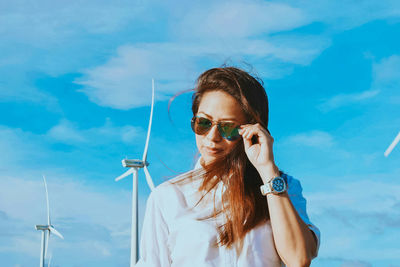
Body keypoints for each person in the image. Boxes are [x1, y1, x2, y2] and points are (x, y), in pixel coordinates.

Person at [136, 67, 320, 267]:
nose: (212, 137)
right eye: (203, 123)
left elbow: (298, 258)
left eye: (228, 127)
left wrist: (267, 170)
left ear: (252, 131)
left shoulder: (282, 187)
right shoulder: (168, 196)